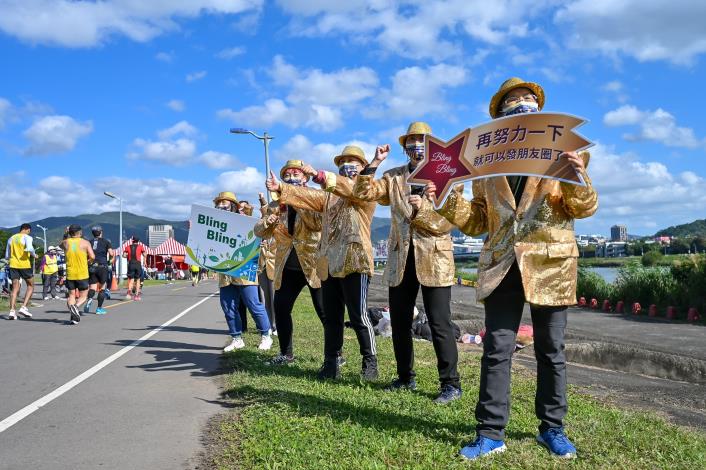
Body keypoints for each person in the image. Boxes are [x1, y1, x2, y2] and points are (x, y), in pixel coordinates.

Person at [427, 77, 598, 460]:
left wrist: (576, 177)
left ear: (539, 110)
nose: (521, 105)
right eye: (512, 101)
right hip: (501, 263)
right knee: (496, 347)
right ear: (499, 116)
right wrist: (444, 196)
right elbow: (476, 222)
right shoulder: (486, 167)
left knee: (551, 349)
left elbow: (584, 208)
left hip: (549, 263)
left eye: (527, 99)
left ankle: (552, 428)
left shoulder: (565, 152)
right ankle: (490, 433)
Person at [354, 122, 462, 404]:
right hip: (401, 258)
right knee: (400, 321)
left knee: (440, 323)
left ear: (432, 146)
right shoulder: (393, 177)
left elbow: (448, 221)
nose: (417, 145)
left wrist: (421, 208)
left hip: (435, 258)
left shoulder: (447, 175)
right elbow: (364, 193)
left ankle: (450, 384)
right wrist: (374, 162)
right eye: (412, 141)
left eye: (423, 140)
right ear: (405, 147)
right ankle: (405, 378)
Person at [267, 145, 378, 381]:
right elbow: (309, 196)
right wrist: (282, 188)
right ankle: (331, 362)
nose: (347, 166)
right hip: (328, 262)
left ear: (363, 168)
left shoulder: (366, 190)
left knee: (358, 315)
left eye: (353, 162)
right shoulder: (328, 197)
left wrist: (318, 175)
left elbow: (351, 188)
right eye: (343, 162)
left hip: (355, 260)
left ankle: (370, 362)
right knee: (333, 316)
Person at [255, 161, 330, 366]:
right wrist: (267, 222)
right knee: (281, 308)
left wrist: (297, 199)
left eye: (295, 174)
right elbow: (259, 231)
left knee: (324, 310)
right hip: (287, 266)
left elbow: (316, 224)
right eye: (286, 175)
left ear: (305, 178)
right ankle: (286, 353)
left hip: (313, 264)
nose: (291, 177)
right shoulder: (276, 204)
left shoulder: (314, 198)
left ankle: (335, 355)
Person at [213, 191, 273, 352]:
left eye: (224, 203)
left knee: (253, 304)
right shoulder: (214, 224)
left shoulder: (245, 220)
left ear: (232, 205)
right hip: (225, 273)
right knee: (228, 306)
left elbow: (260, 227)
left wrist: (259, 244)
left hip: (245, 269)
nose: (221, 206)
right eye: (218, 204)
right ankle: (236, 338)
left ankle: (266, 336)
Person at [61, 224, 95, 325]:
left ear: (69, 232)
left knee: (71, 295)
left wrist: (65, 234)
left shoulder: (66, 242)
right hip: (82, 273)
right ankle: (75, 307)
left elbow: (61, 245)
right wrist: (88, 261)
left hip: (70, 273)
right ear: (80, 232)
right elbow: (92, 256)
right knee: (83, 296)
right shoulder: (85, 242)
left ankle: (73, 318)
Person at [6, 223, 37, 319]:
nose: (29, 232)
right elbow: (30, 248)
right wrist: (34, 255)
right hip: (24, 264)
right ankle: (23, 307)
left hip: (13, 264)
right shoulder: (27, 237)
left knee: (15, 288)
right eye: (29, 231)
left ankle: (12, 311)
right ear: (27, 229)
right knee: (31, 285)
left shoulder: (11, 238)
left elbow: (7, 255)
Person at [256, 192, 277, 335]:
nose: (269, 216)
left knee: (276, 299)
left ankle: (276, 325)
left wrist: (263, 200)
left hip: (275, 267)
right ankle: (269, 325)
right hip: (262, 267)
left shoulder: (279, 229)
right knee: (264, 299)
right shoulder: (262, 229)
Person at [85, 226, 113, 314]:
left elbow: (86, 254)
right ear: (101, 232)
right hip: (102, 266)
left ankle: (89, 299)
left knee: (92, 287)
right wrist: (109, 261)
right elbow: (111, 253)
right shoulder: (106, 242)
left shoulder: (89, 242)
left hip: (92, 266)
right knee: (102, 288)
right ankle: (99, 308)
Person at [123, 236, 145, 300]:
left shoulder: (127, 247)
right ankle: (136, 295)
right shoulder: (140, 247)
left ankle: (129, 293)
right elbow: (145, 254)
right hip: (137, 264)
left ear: (132, 241)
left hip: (130, 264)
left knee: (131, 279)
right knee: (138, 279)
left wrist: (127, 255)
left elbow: (124, 255)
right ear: (138, 241)